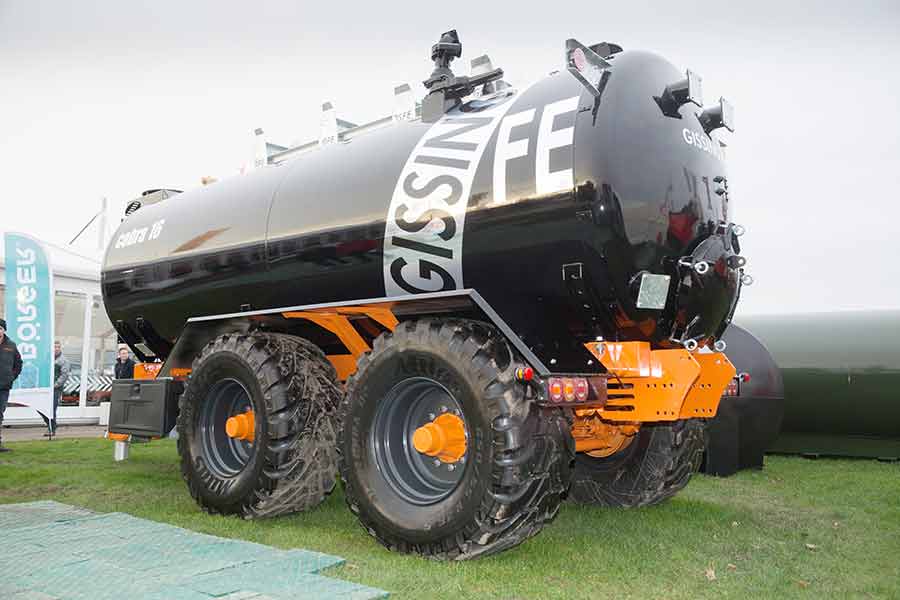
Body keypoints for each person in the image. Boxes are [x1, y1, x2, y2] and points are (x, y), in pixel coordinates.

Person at [0, 318, 23, 452]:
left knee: (0, 414)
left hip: (3, 387)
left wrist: (11, 377)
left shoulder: (11, 345)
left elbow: (18, 364)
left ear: (4, 330)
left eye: (0, 328)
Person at [44, 341, 69, 437]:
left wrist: (55, 385)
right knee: (42, 408)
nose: (56, 348)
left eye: (58, 347)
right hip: (46, 387)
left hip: (56, 388)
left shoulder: (63, 360)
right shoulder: (47, 358)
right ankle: (52, 425)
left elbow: (64, 375)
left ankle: (51, 429)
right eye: (54, 347)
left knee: (52, 408)